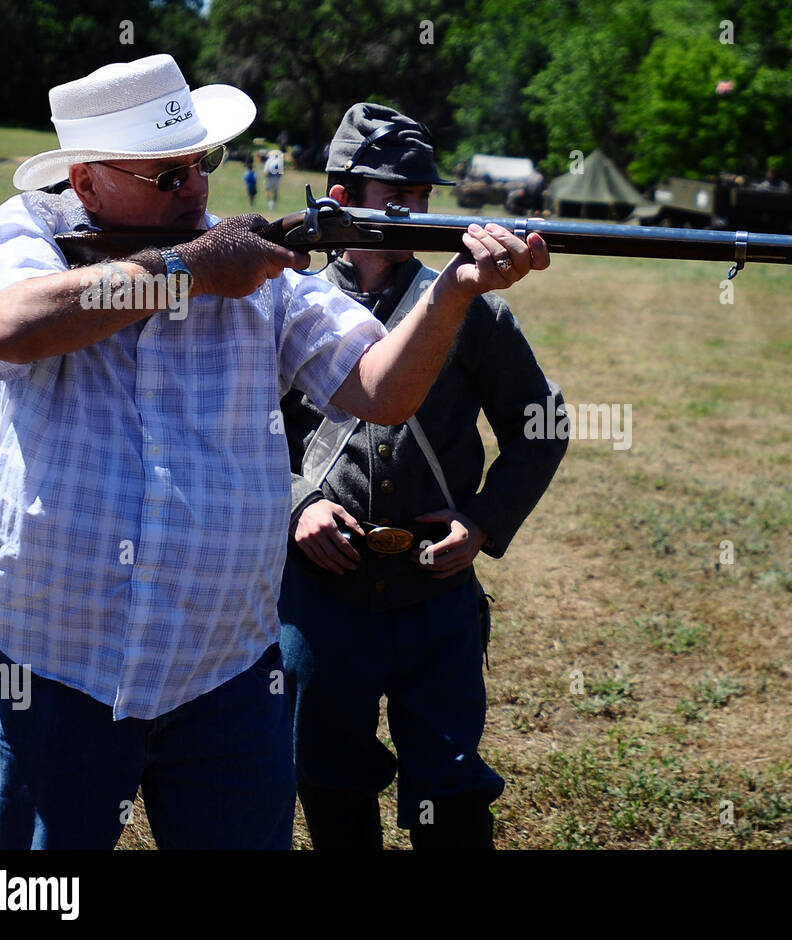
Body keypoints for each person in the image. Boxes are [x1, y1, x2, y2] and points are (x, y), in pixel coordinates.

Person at [0, 54, 549, 850]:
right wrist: (185, 273)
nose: (194, 189)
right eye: (165, 176)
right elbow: (12, 329)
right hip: (59, 660)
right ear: (85, 184)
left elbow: (381, 391)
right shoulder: (37, 234)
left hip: (225, 666)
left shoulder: (254, 263)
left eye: (200, 163)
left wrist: (454, 292)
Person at [278, 102, 568, 851]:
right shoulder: (289, 303)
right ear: (340, 198)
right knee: (329, 774)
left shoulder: (471, 307)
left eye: (424, 196)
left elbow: (541, 427)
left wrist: (481, 523)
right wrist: (296, 503)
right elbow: (238, 430)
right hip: (321, 591)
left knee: (450, 785)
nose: (417, 212)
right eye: (395, 197)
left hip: (434, 594)